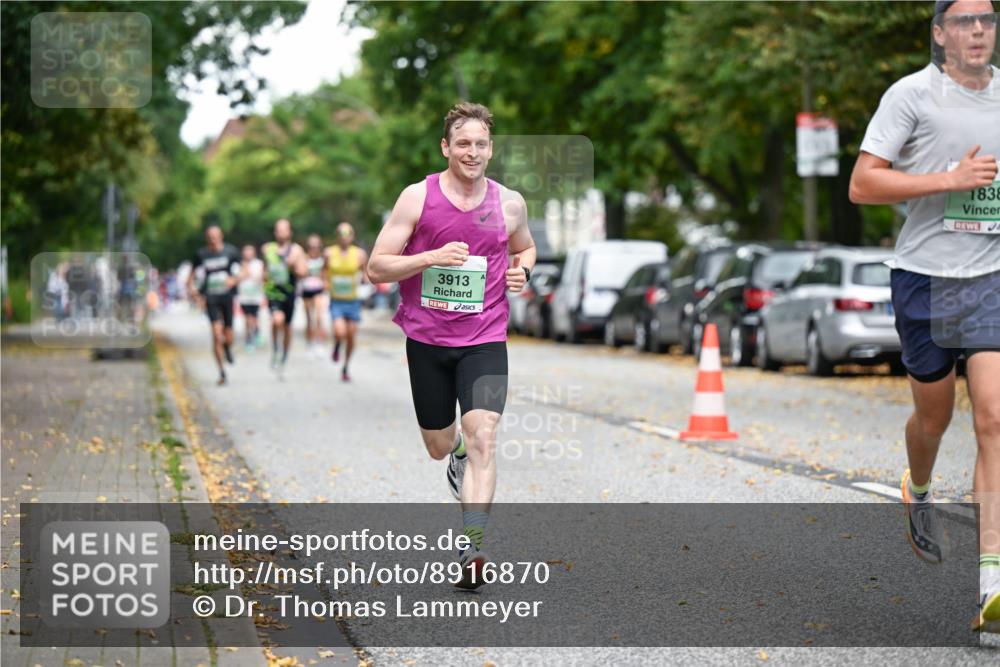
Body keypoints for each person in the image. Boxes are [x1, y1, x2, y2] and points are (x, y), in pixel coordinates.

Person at [849, 0, 999, 631]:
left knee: (994, 416)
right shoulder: (910, 96)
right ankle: (919, 483)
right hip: (925, 279)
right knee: (933, 418)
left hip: (991, 275)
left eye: (987, 20)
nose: (976, 30)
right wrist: (950, 179)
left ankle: (992, 580)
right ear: (940, 34)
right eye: (963, 20)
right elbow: (863, 185)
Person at [367, 102, 536, 589]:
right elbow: (377, 267)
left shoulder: (509, 203)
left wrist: (524, 268)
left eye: (481, 143)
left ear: (491, 149)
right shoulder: (417, 198)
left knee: (486, 435)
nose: (472, 151)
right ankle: (456, 452)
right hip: (427, 340)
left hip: (485, 338)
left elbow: (524, 246)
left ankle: (473, 547)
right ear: (446, 147)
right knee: (440, 446)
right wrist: (430, 257)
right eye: (463, 142)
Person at [187, 226, 241, 385]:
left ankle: (228, 347)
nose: (213, 239)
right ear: (206, 238)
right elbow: (190, 277)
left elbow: (244, 270)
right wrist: (193, 291)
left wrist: (234, 280)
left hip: (227, 297)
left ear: (221, 236)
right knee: (216, 335)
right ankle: (221, 372)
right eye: (210, 237)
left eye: (215, 236)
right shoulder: (201, 255)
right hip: (211, 297)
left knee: (228, 335)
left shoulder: (231, 252)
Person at [323, 222, 368, 381]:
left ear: (352, 236)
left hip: (353, 300)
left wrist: (365, 281)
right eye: (341, 234)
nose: (344, 237)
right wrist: (326, 282)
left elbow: (365, 273)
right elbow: (324, 270)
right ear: (337, 236)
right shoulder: (329, 253)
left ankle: (345, 367)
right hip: (337, 300)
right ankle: (336, 346)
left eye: (347, 234)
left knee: (350, 336)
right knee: (340, 332)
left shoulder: (360, 254)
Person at [262, 219, 306, 375]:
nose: (281, 233)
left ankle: (285, 355)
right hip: (274, 292)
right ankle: (275, 349)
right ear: (275, 232)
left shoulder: (297, 250)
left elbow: (303, 272)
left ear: (289, 232)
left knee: (287, 326)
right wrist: (264, 281)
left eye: (284, 230)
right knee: (276, 320)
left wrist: (292, 265)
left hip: (290, 293)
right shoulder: (268, 248)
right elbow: (265, 271)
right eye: (278, 230)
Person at [301, 234, 328, 358]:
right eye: (311, 246)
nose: (314, 248)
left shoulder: (323, 259)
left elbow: (325, 274)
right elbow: (301, 273)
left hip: (318, 290)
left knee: (318, 317)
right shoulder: (304, 258)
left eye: (316, 246)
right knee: (308, 319)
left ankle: (319, 343)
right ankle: (309, 343)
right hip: (306, 290)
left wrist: (326, 282)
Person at [237, 244, 265, 351]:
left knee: (254, 317)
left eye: (250, 251)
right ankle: (249, 339)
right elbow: (238, 278)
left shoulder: (259, 264)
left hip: (256, 296)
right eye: (246, 251)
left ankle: (256, 331)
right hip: (244, 296)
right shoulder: (239, 264)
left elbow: (262, 278)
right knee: (247, 318)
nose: (248, 253)